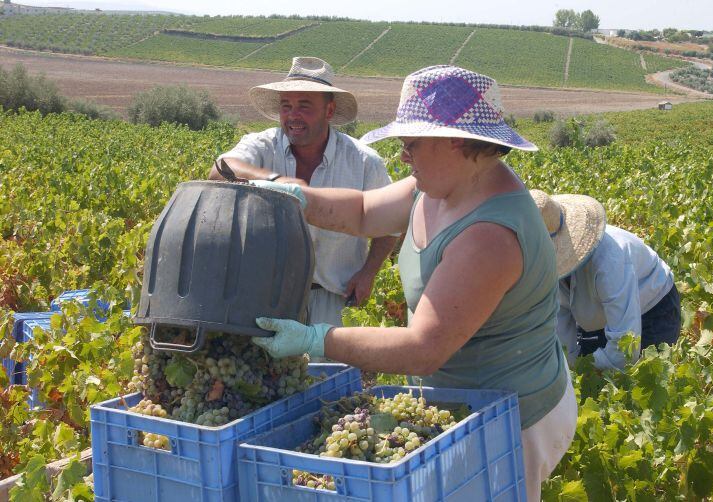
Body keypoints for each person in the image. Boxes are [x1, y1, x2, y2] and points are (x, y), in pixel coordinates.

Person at [249, 65, 578, 500]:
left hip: (513, 420)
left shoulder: (490, 235)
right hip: (461, 407)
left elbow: (423, 348)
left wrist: (314, 338)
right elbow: (364, 212)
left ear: (455, 140)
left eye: (411, 144)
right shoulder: (439, 185)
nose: (403, 156)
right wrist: (297, 196)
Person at [209, 57, 398, 327]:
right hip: (265, 299)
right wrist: (276, 180)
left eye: (304, 106)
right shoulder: (261, 146)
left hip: (334, 299)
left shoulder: (364, 162)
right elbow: (219, 169)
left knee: (326, 369)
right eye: (286, 107)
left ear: (329, 111)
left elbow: (389, 226)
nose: (293, 115)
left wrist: (369, 273)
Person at [530, 190, 682, 371]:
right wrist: (568, 370)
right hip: (597, 316)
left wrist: (585, 371)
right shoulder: (546, 267)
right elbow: (560, 328)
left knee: (638, 378)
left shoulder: (610, 261)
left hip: (651, 311)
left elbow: (626, 345)